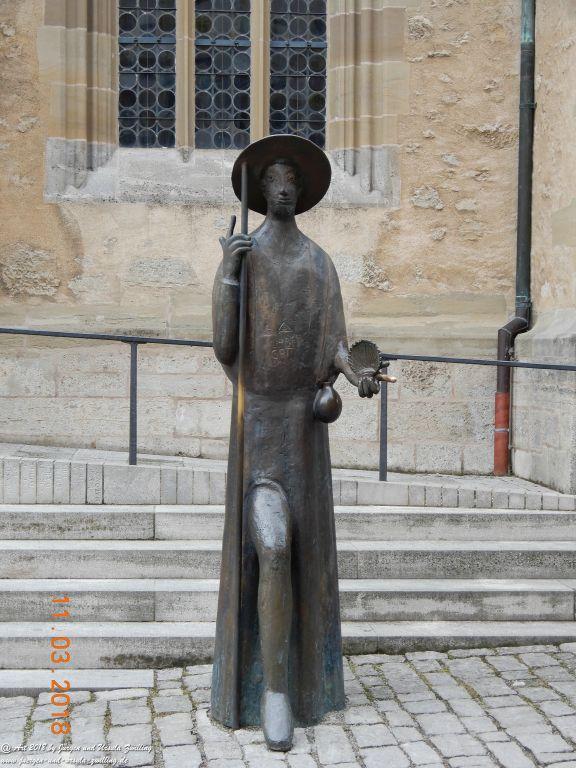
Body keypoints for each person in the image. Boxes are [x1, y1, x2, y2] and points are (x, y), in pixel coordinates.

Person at [210, 135, 381, 751]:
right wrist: (229, 271)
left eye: (291, 178)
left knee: (301, 559)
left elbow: (336, 341)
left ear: (302, 191)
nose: (283, 185)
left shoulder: (318, 263)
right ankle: (274, 692)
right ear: (259, 189)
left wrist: (356, 373)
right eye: (273, 177)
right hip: (258, 428)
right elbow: (226, 349)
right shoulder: (246, 257)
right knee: (273, 549)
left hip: (303, 434)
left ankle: (300, 682)